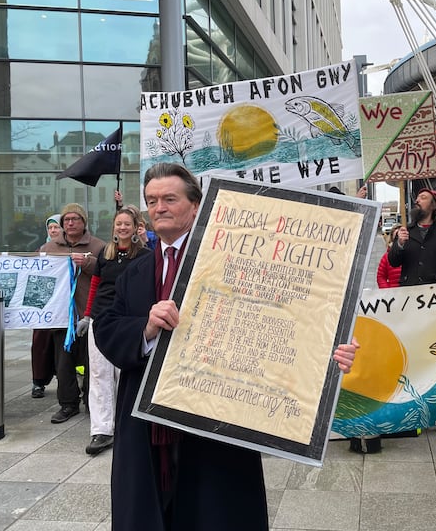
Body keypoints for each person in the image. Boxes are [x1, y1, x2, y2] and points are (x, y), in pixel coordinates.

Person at [95, 162, 359, 530]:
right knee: (148, 511)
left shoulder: (237, 260)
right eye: (152, 200)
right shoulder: (133, 271)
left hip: (216, 421)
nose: (159, 207)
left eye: (170, 198)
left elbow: (295, 314)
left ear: (196, 205)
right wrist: (146, 328)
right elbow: (105, 328)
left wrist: (333, 345)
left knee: (215, 511)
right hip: (144, 425)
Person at [78, 207, 151, 455]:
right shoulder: (104, 254)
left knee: (124, 376)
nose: (122, 228)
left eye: (126, 224)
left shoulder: (144, 255)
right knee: (99, 376)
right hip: (100, 320)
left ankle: (124, 424)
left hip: (127, 322)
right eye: (118, 224)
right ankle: (101, 429)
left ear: (135, 227)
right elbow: (96, 286)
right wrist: (87, 315)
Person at [38, 203, 106, 424]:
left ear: (84, 222)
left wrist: (88, 263)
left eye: (75, 218)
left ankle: (90, 400)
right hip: (60, 316)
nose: (70, 223)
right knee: (63, 362)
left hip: (89, 313)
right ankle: (67, 404)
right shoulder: (48, 248)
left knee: (91, 361)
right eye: (66, 219)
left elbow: (107, 273)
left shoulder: (98, 246)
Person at [388, 187, 436, 285]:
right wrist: (399, 244)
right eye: (417, 198)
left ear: (433, 205)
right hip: (411, 293)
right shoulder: (405, 232)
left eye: (423, 198)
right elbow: (393, 262)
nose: (417, 201)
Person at [31, 214, 62, 399]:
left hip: (63, 304)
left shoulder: (69, 249)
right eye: (50, 228)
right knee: (40, 343)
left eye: (56, 227)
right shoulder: (41, 249)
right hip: (43, 305)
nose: (53, 231)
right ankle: (38, 382)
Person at [376, 224, 402, 288]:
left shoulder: (413, 253)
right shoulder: (386, 257)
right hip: (394, 294)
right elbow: (381, 277)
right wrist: (387, 291)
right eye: (396, 236)